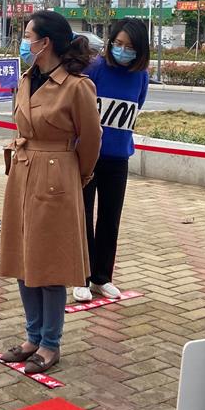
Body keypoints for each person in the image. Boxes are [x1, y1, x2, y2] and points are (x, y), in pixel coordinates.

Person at [0, 10, 101, 374]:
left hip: (57, 175)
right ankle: (32, 337)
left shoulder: (76, 86)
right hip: (23, 171)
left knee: (50, 264)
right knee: (23, 259)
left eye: (28, 36)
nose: (24, 42)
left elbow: (91, 139)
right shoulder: (27, 78)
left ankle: (50, 344)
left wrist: (76, 175)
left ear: (46, 43)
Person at [73, 18, 150, 303]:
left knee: (110, 219)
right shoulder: (95, 69)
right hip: (87, 157)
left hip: (118, 159)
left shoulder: (141, 76)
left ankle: (102, 277)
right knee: (83, 217)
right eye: (118, 44)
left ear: (140, 49)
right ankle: (80, 277)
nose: (122, 50)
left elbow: (136, 107)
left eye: (129, 46)